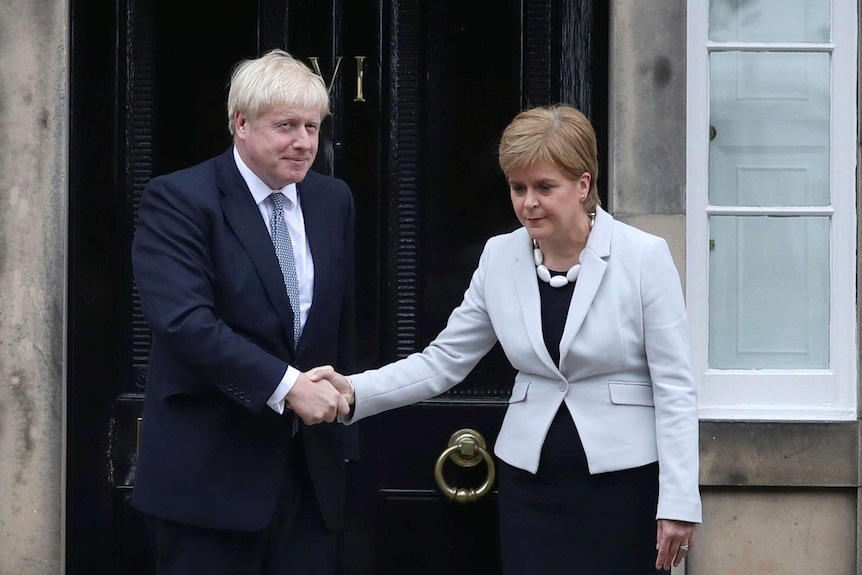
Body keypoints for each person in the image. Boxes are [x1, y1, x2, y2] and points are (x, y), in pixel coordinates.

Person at [313, 104, 701, 573]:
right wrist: (354, 391)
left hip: (623, 487)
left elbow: (675, 387)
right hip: (529, 484)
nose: (527, 203)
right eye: (518, 188)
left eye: (544, 187)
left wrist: (678, 501)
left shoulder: (643, 256)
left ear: (583, 185)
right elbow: (443, 361)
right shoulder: (500, 257)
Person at [131, 49, 356, 575]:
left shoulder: (333, 200)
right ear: (241, 124)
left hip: (310, 483)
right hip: (208, 484)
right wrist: (288, 386)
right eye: (286, 126)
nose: (304, 143)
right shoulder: (180, 199)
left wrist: (345, 430)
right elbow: (184, 322)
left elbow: (340, 327)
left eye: (312, 126)